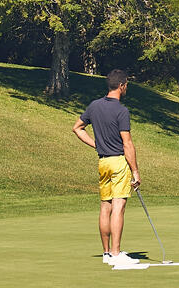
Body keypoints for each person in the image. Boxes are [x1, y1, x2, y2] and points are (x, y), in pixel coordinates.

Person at [73, 69, 143, 264]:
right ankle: (116, 254)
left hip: (103, 162)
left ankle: (106, 253)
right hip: (119, 162)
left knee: (106, 206)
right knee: (118, 207)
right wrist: (135, 171)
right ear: (121, 86)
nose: (126, 87)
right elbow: (127, 143)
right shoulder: (122, 110)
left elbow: (77, 128)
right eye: (126, 84)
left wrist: (97, 145)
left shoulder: (94, 106)